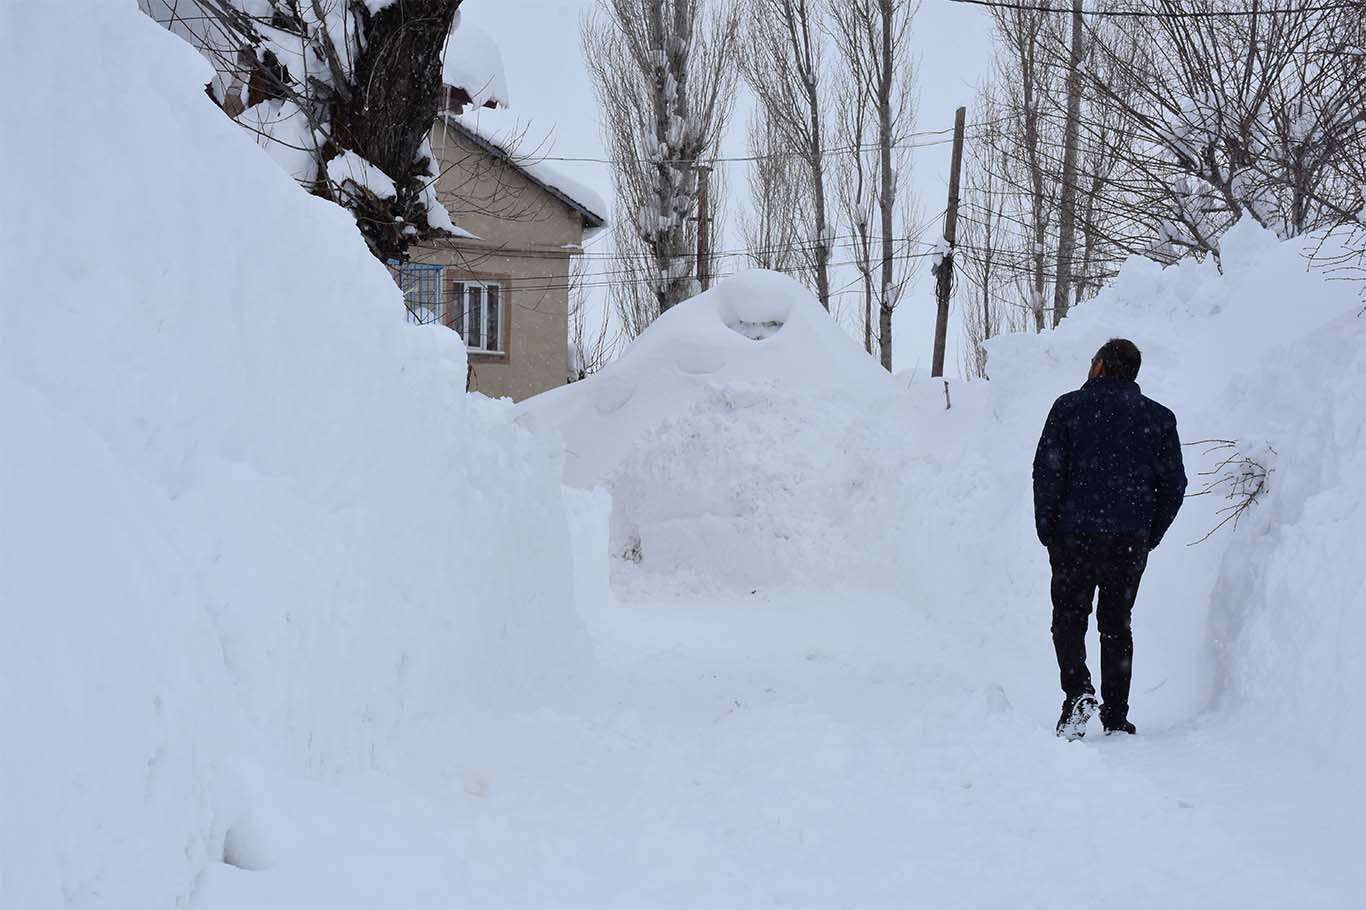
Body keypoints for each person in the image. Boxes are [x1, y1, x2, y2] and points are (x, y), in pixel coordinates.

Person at [1032, 338, 1187, 740]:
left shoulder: (1068, 408)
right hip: (1128, 540)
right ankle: (1116, 715)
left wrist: (1047, 527)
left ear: (1100, 366)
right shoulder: (1158, 418)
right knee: (1116, 624)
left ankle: (1078, 692)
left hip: (1074, 535)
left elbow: (1046, 471)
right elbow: (1174, 484)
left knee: (1069, 617)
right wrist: (1150, 532)